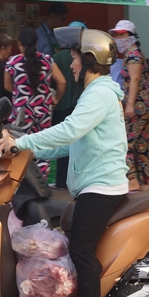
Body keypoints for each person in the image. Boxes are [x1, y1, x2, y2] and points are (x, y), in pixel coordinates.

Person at [0, 27, 126, 297]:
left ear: (89, 60)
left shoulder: (98, 94)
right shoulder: (96, 93)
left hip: (101, 188)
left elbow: (70, 130)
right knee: (75, 243)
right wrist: (28, 152)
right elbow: (73, 142)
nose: (70, 66)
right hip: (95, 185)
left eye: (73, 59)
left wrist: (22, 142)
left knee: (82, 251)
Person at [5, 28, 66, 176]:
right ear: (37, 42)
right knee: (42, 145)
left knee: (19, 145)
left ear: (19, 44)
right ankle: (41, 180)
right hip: (43, 111)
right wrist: (55, 99)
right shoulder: (47, 60)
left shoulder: (12, 62)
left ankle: (21, 179)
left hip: (21, 112)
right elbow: (62, 82)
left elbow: (7, 86)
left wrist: (20, 94)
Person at [109, 20, 149, 191]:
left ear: (132, 36)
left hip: (138, 106)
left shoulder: (133, 55)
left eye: (122, 34)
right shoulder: (133, 54)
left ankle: (132, 181)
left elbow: (134, 80)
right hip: (144, 105)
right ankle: (146, 182)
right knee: (142, 144)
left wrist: (129, 105)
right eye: (117, 35)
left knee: (124, 143)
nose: (118, 38)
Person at [51, 21, 84, 189]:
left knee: (60, 144)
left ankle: (60, 181)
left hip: (61, 107)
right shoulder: (84, 57)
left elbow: (52, 83)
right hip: (77, 106)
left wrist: (55, 99)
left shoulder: (55, 58)